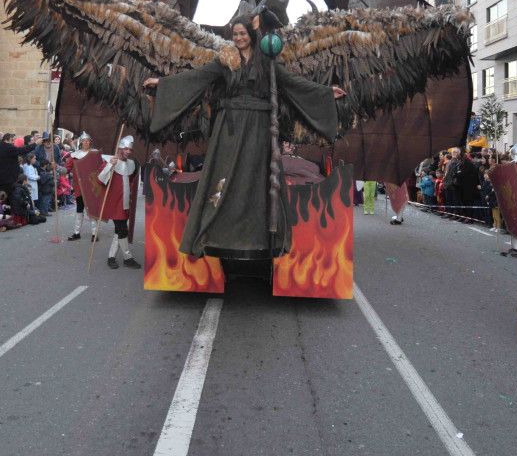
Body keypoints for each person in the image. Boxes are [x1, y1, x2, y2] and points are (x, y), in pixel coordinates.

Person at [143, 15, 345, 259]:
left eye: (243, 33)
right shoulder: (225, 60)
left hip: (259, 130)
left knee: (257, 179)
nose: (239, 38)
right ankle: (213, 234)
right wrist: (162, 84)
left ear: (251, 34)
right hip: (229, 129)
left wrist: (325, 93)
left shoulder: (267, 61)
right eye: (235, 34)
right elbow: (197, 78)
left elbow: (292, 83)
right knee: (223, 176)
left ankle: (259, 239)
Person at [98, 135, 142, 270]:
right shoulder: (110, 161)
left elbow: (133, 183)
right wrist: (110, 165)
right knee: (123, 229)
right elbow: (101, 179)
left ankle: (111, 257)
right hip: (114, 202)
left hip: (125, 203)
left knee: (120, 230)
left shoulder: (132, 164)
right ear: (120, 148)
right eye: (126, 149)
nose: (128, 152)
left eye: (130, 150)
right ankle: (127, 258)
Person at [67, 132, 96, 241]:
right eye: (84, 140)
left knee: (92, 211)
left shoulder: (94, 154)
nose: (86, 142)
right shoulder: (74, 156)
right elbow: (67, 168)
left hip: (91, 187)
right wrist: (56, 167)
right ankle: (76, 232)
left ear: (90, 142)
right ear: (81, 142)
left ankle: (94, 233)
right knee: (79, 209)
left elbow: (101, 167)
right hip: (79, 187)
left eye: (87, 140)